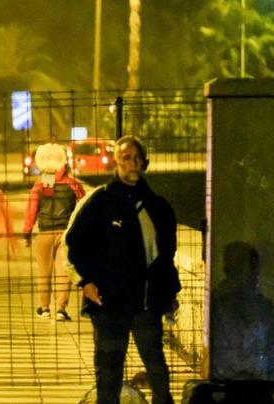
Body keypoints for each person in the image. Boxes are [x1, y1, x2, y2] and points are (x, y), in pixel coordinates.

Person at [65, 135, 181, 404]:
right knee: (109, 369)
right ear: (115, 163)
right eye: (126, 158)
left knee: (156, 366)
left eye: (137, 157)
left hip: (145, 302)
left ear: (146, 163)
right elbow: (75, 244)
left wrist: (169, 293)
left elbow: (166, 257)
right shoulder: (99, 203)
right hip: (108, 302)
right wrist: (85, 283)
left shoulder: (158, 207)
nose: (133, 163)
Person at [23, 142, 85, 321]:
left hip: (44, 233)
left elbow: (32, 209)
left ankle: (44, 308)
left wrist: (27, 232)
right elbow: (83, 207)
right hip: (66, 235)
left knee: (44, 271)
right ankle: (61, 309)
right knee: (63, 272)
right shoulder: (73, 184)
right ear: (64, 162)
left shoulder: (41, 184)